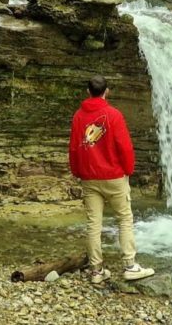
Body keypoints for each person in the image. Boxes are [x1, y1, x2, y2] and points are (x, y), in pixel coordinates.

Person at [69, 75, 155, 283]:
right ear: (106, 91)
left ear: (88, 91)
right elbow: (124, 146)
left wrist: (78, 172)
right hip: (115, 176)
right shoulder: (113, 114)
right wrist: (128, 169)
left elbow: (74, 148)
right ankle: (130, 266)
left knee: (93, 224)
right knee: (124, 219)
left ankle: (96, 271)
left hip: (89, 177)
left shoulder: (79, 116)